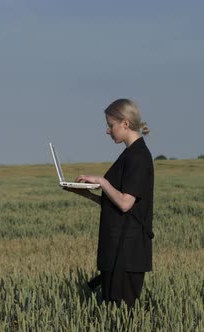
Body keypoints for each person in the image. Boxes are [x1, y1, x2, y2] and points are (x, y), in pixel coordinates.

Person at [65, 98, 154, 308]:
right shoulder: (130, 154)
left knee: (122, 318)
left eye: (110, 125)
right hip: (117, 252)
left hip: (126, 254)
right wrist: (87, 194)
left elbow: (125, 203)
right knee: (112, 316)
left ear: (125, 123)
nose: (107, 130)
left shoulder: (138, 157)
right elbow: (117, 205)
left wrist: (101, 181)